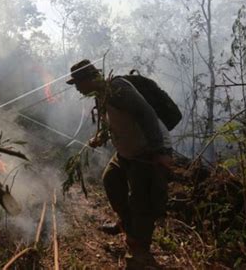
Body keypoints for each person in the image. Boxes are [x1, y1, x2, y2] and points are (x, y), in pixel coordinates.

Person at [66, 59, 174, 265]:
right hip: (127, 152)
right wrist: (101, 138)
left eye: (78, 84)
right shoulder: (102, 96)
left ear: (89, 79)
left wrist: (160, 151)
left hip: (148, 151)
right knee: (111, 180)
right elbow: (113, 124)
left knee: (141, 202)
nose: (78, 89)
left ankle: (139, 252)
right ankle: (126, 224)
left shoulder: (117, 88)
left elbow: (147, 114)